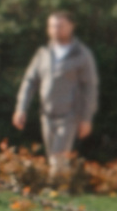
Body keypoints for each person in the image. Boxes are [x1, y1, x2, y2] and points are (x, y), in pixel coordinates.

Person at [13, 10, 100, 175]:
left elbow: (90, 87)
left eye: (60, 26)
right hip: (46, 115)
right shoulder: (43, 54)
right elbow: (29, 82)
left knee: (58, 156)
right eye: (52, 26)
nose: (55, 30)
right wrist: (21, 108)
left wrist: (87, 118)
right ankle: (62, 190)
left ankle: (55, 191)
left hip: (69, 115)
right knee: (54, 156)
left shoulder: (81, 54)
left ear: (71, 27)